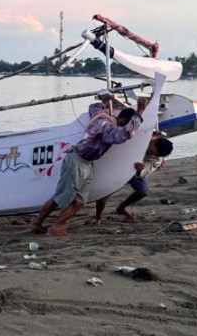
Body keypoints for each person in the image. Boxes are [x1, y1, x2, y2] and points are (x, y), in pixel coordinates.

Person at [32, 95, 152, 236]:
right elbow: (125, 134)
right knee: (61, 197)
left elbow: (93, 107)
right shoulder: (107, 128)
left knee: (80, 201)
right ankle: (38, 224)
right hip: (77, 161)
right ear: (122, 122)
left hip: (86, 163)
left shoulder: (101, 116)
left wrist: (107, 102)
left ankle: (56, 226)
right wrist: (140, 111)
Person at [93, 132, 174, 224]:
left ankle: (121, 208)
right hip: (119, 163)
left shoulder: (156, 160)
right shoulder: (144, 135)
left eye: (153, 154)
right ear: (154, 141)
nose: (149, 152)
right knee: (104, 193)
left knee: (143, 191)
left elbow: (146, 169)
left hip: (136, 170)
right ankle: (98, 217)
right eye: (151, 151)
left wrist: (140, 169)